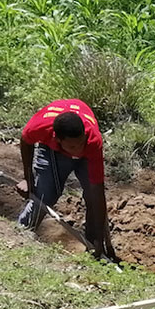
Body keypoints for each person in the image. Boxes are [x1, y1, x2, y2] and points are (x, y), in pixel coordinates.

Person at [15, 98, 116, 260]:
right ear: (57, 139)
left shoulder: (91, 142)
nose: (78, 150)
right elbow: (26, 141)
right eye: (73, 147)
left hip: (87, 154)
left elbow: (97, 189)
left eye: (81, 143)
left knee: (92, 197)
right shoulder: (41, 128)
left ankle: (94, 250)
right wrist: (27, 178)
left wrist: (99, 237)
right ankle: (20, 234)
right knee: (45, 195)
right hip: (53, 152)